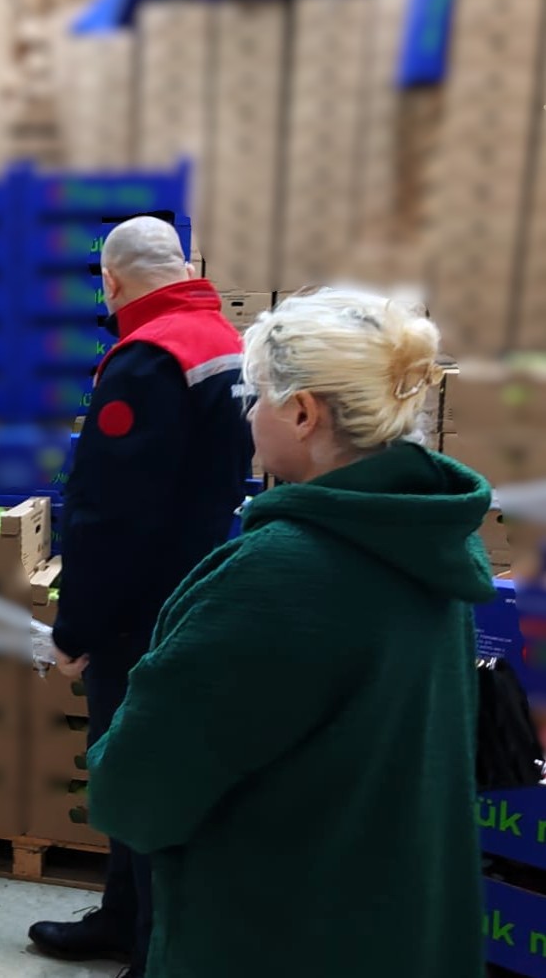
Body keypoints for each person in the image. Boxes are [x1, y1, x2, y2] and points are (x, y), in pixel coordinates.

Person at [85, 288, 496, 977]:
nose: (249, 415)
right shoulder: (432, 545)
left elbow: (135, 796)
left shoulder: (276, 577)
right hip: (397, 927)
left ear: (303, 413)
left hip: (275, 935)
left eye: (257, 397)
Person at [29, 216, 253, 977]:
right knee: (144, 770)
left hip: (138, 612)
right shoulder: (221, 340)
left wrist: (76, 627)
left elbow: (107, 512)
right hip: (195, 589)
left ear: (111, 280)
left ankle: (152, 950)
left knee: (140, 775)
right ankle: (124, 919)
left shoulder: (146, 358)